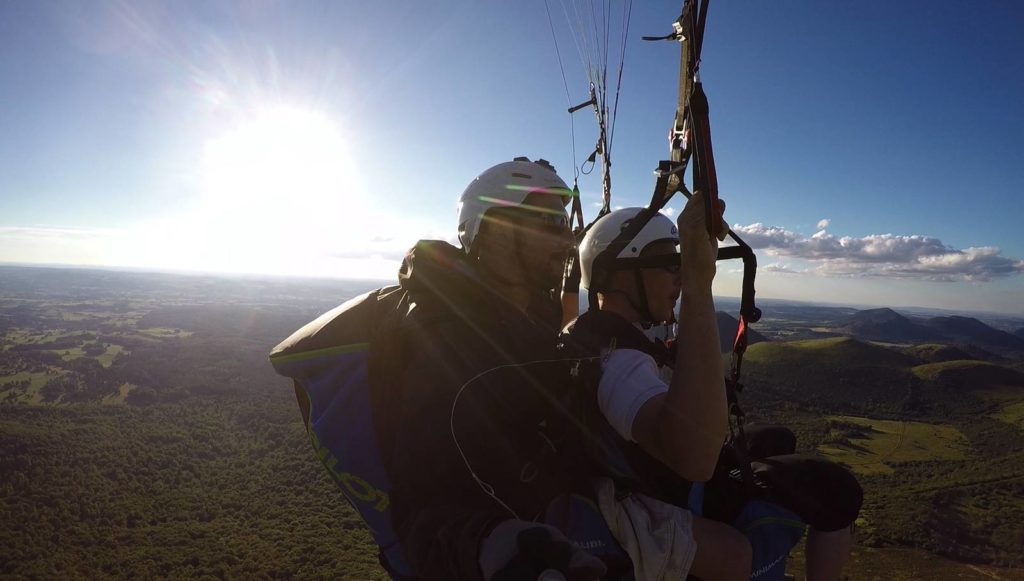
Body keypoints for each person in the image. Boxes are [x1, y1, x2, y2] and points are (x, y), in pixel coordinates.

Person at [563, 202, 862, 581]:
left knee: (777, 437)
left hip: (649, 471)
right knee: (838, 490)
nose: (679, 278)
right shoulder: (620, 366)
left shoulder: (594, 336)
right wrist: (699, 283)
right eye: (670, 265)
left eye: (681, 266)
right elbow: (695, 460)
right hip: (669, 485)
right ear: (621, 274)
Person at [385, 157, 608, 580]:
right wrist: (499, 548)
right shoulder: (453, 345)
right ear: (498, 232)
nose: (566, 241)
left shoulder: (518, 318)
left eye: (565, 225)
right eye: (550, 225)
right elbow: (420, 505)